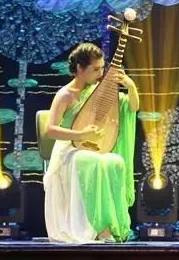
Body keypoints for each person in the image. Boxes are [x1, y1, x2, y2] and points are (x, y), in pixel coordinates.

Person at [43, 43, 139, 243]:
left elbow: (131, 107)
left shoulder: (99, 92)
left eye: (102, 68)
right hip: (68, 151)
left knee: (115, 161)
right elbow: (50, 129)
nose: (101, 74)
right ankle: (95, 228)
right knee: (92, 161)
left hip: (94, 148)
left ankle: (110, 226)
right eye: (96, 69)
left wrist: (130, 85)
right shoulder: (65, 95)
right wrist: (81, 134)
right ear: (80, 68)